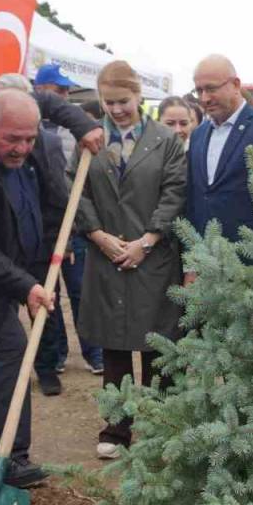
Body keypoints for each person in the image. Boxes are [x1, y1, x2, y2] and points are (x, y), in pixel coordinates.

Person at [0, 68, 102, 483]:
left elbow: (47, 103)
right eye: (13, 140)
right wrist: (26, 284)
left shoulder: (11, 111)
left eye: (30, 139)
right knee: (8, 351)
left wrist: (83, 125)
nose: (23, 149)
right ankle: (8, 459)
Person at [76, 61, 186, 460]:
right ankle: (117, 429)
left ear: (139, 97)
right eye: (109, 102)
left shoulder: (164, 141)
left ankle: (159, 426)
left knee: (156, 345)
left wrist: (148, 239)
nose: (117, 109)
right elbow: (77, 191)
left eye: (123, 101)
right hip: (106, 257)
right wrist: (98, 235)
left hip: (153, 258)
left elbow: (175, 191)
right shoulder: (92, 140)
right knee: (115, 347)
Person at [185, 55, 253, 252]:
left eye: (211, 89)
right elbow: (195, 200)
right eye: (199, 90)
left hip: (251, 264)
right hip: (206, 264)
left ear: (236, 85)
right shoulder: (198, 136)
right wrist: (191, 263)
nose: (204, 98)